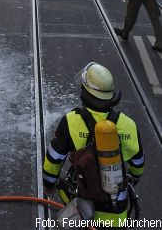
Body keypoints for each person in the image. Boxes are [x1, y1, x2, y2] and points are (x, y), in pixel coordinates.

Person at [43, 62, 144, 227]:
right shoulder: (128, 125)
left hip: (82, 209)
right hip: (117, 213)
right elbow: (138, 166)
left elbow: (52, 162)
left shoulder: (70, 122)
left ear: (85, 92)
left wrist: (49, 186)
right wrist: (131, 179)